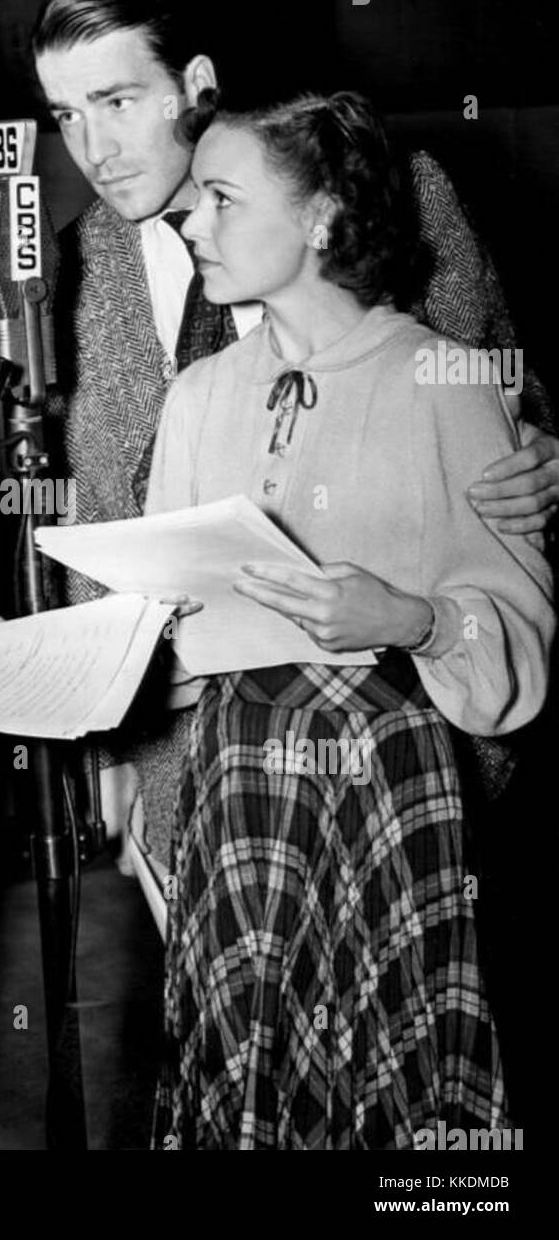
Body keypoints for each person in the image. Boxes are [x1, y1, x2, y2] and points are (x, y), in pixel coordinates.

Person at [30, 0, 559, 866]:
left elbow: (504, 399)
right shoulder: (70, 269)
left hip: (411, 770)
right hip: (197, 784)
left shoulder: (398, 187)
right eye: (65, 115)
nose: (93, 150)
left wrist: (549, 457)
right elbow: (97, 517)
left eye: (116, 102)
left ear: (193, 85)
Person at [143, 90, 553, 1149]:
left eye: (221, 198)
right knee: (241, 1079)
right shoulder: (196, 394)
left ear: (322, 215)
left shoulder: (444, 378)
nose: (190, 221)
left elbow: (516, 638)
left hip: (383, 793)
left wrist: (412, 618)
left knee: (394, 1093)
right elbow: (154, 629)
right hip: (235, 792)